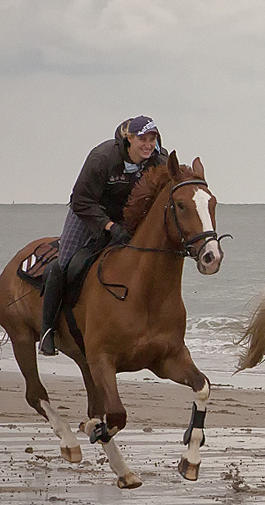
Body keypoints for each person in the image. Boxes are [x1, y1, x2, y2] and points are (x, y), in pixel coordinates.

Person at [38, 116, 168, 356]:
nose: (148, 145)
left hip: (127, 218)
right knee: (65, 265)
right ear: (129, 139)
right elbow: (81, 200)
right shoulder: (103, 157)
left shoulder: (160, 161)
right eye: (142, 139)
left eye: (152, 139)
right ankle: (48, 331)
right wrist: (108, 226)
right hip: (88, 214)